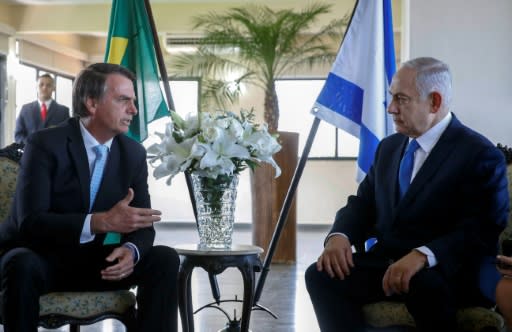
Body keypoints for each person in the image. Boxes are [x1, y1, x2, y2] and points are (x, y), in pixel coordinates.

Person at [305, 57, 509, 332]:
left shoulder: (479, 154)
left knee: (425, 285)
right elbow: (363, 203)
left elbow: (481, 229)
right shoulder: (389, 147)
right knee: (321, 276)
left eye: (401, 99)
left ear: (434, 102)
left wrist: (423, 255)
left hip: (449, 270)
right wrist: (339, 236)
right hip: (387, 264)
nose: (391, 109)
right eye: (391, 98)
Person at [0, 63, 180, 332]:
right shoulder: (44, 144)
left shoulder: (132, 153)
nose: (134, 110)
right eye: (123, 101)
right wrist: (100, 222)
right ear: (92, 103)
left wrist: (131, 252)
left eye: (133, 101)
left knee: (164, 259)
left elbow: (142, 225)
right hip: (41, 258)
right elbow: (30, 223)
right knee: (20, 264)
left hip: (97, 264)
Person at [14, 73, 70, 144]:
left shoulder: (63, 111)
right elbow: (18, 135)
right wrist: (29, 143)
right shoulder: (25, 109)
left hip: (54, 153)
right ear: (36, 87)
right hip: (30, 152)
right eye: (41, 85)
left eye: (48, 85)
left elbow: (67, 135)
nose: (44, 87)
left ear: (54, 88)